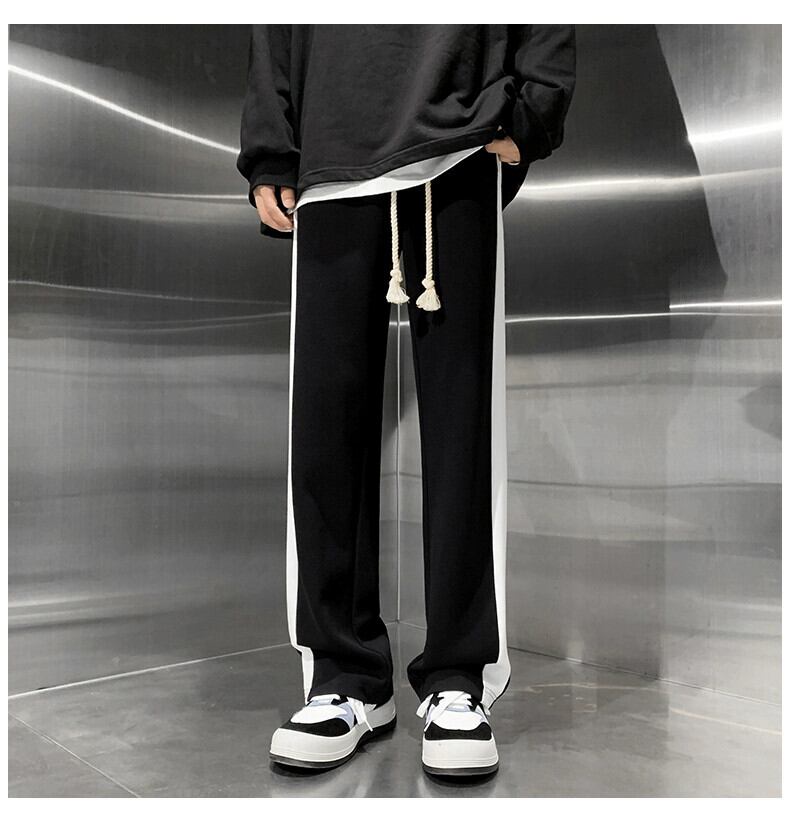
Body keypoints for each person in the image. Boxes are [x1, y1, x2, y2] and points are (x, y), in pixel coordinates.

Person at [237, 24, 575, 778]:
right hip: (331, 148)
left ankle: (458, 676)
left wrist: (534, 109)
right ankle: (345, 675)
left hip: (458, 140)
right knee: (325, 428)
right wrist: (269, 146)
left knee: (461, 429)